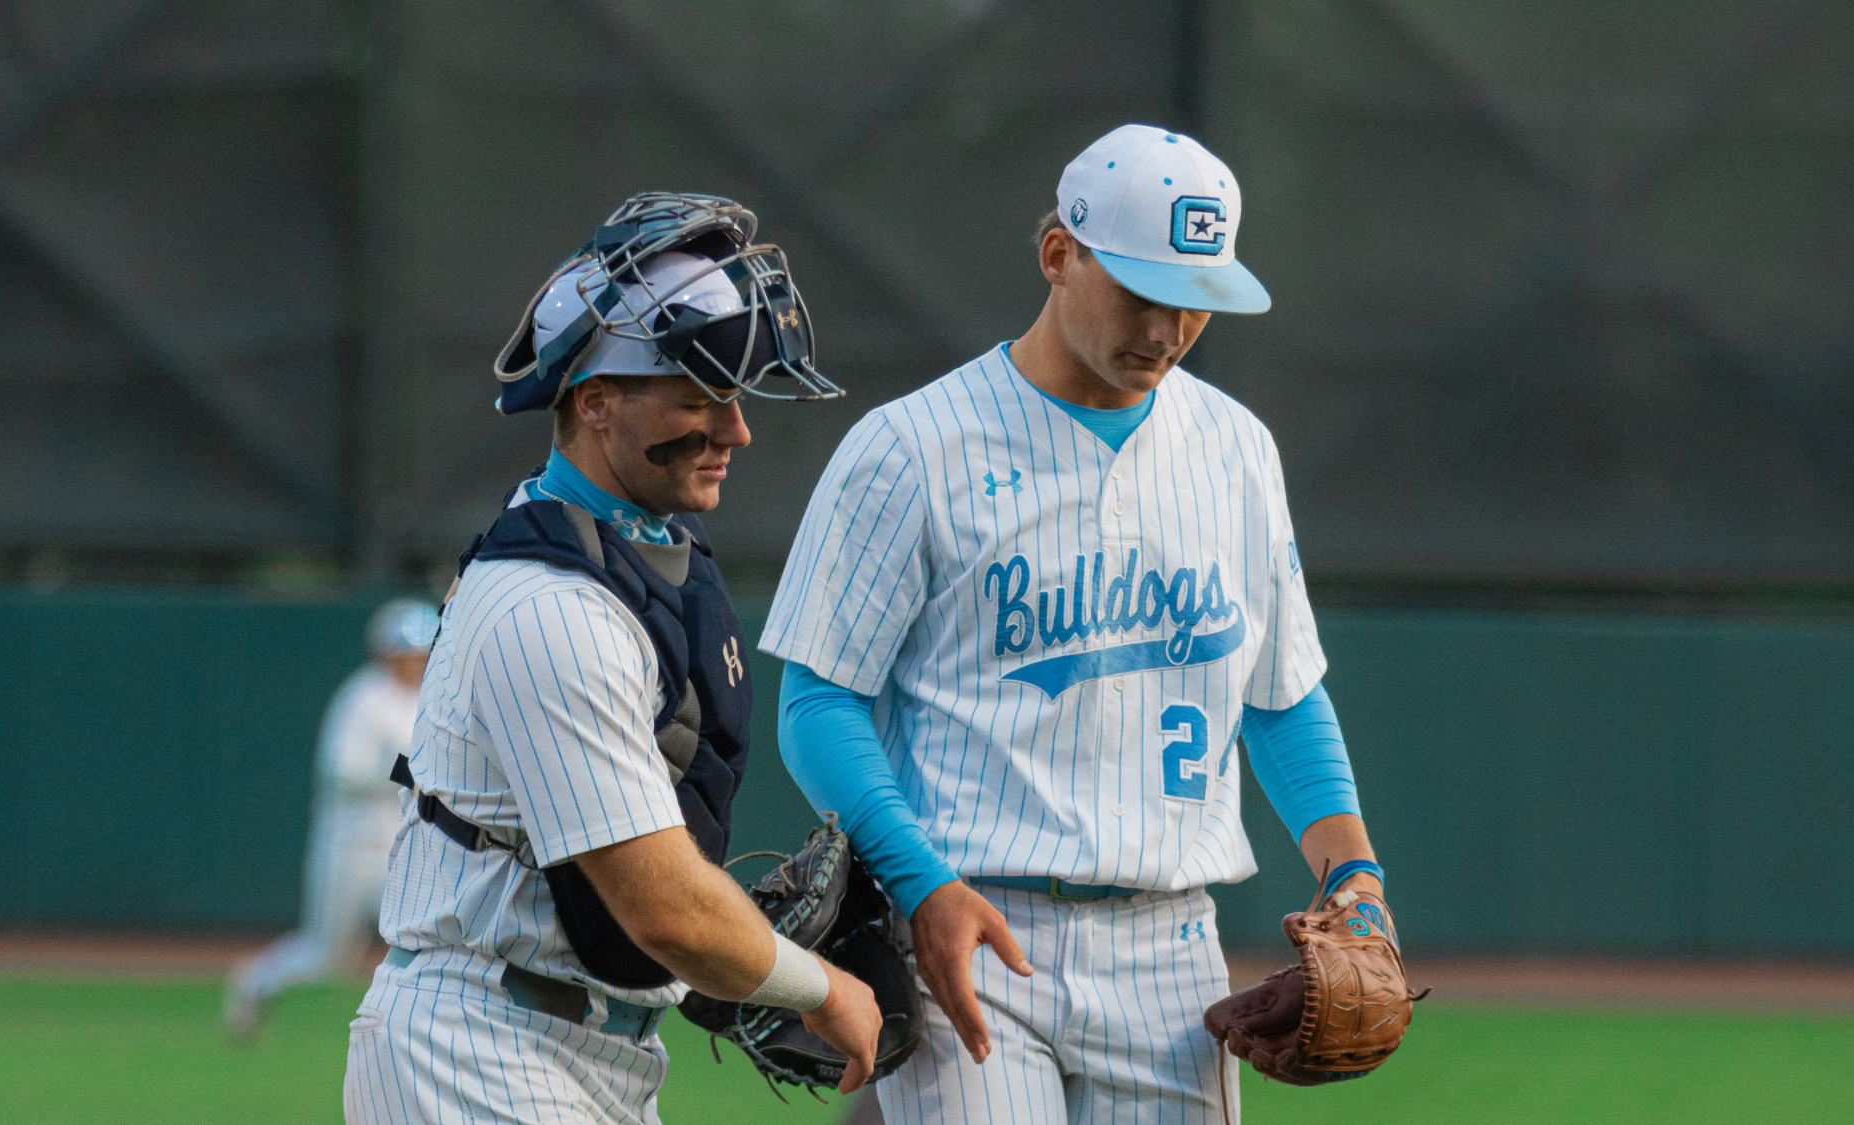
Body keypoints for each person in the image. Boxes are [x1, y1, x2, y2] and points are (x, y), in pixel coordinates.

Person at [767, 124, 1392, 1124]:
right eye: (1140, 291)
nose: (1168, 325)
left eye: (1195, 301)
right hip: (967, 915)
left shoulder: (1234, 448)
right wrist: (918, 884)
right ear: (1059, 255)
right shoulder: (909, 447)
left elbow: (1277, 696)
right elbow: (816, 702)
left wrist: (1351, 870)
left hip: (1168, 941)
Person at [343, 192, 882, 1125]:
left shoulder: (641, 569)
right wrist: (822, 986)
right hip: (480, 1051)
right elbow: (662, 910)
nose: (736, 428)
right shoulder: (549, 606)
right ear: (594, 402)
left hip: (579, 1052)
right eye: (701, 395)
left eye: (737, 396)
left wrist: (731, 955)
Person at [225, 597, 439, 1039]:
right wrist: (408, 774)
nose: (414, 662)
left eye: (421, 653)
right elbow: (341, 772)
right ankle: (255, 980)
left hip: (400, 847)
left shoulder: (430, 699)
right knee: (327, 957)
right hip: (351, 845)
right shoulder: (362, 698)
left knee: (426, 941)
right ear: (385, 652)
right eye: (406, 652)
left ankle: (409, 1036)